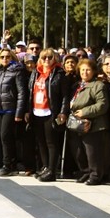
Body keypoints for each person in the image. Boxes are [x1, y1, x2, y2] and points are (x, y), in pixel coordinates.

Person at [68, 59, 110, 185]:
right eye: (82, 70)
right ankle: (85, 172)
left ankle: (95, 175)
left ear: (93, 72)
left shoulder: (98, 85)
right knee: (78, 151)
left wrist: (84, 112)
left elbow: (102, 105)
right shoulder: (76, 86)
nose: (85, 73)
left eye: (88, 70)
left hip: (93, 124)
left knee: (92, 153)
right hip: (76, 124)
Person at [0, 49, 28, 176]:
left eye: (8, 57)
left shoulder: (17, 71)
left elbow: (22, 93)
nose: (5, 59)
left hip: (10, 109)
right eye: (2, 57)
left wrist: (19, 112)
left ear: (12, 57)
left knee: (5, 136)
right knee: (4, 137)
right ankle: (11, 164)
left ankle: (8, 164)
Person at [29, 49, 68, 182]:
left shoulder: (59, 74)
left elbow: (65, 96)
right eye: (44, 57)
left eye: (50, 57)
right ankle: (45, 167)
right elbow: (30, 92)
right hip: (36, 111)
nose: (46, 60)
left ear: (55, 59)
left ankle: (52, 170)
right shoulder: (36, 73)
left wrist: (63, 112)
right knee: (41, 142)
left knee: (52, 142)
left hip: (51, 112)